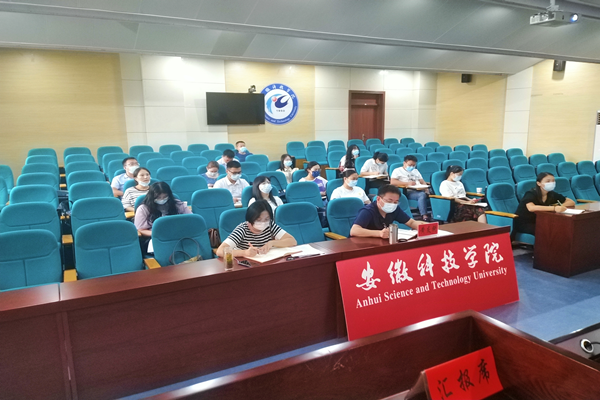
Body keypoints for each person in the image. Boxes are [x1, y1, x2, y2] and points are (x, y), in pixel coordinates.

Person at [216, 200, 297, 258]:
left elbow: (292, 241)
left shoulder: (270, 225)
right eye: (258, 220)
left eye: (266, 219)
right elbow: (220, 251)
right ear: (250, 220)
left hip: (264, 261)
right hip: (244, 263)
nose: (263, 222)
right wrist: (244, 252)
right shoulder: (242, 229)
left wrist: (272, 243)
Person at [134, 182, 192, 252]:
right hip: (157, 238)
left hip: (178, 236)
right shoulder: (143, 208)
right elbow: (141, 230)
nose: (162, 199)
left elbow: (191, 219)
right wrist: (159, 234)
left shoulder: (177, 204)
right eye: (158, 197)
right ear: (152, 196)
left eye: (165, 197)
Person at [350, 185, 425, 238]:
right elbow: (354, 231)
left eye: (396, 202)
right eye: (389, 201)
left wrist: (426, 226)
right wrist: (379, 233)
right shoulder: (368, 211)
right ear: (378, 199)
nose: (392, 204)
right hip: (363, 245)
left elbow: (411, 222)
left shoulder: (395, 209)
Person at [390, 155, 432, 222]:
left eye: (413, 165)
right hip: (407, 191)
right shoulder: (397, 171)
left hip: (418, 189)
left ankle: (437, 215)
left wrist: (426, 188)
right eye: (410, 165)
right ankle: (424, 215)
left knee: (432, 192)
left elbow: (422, 181)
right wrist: (407, 183)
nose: (412, 167)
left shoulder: (415, 171)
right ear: (404, 163)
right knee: (421, 195)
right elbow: (393, 182)